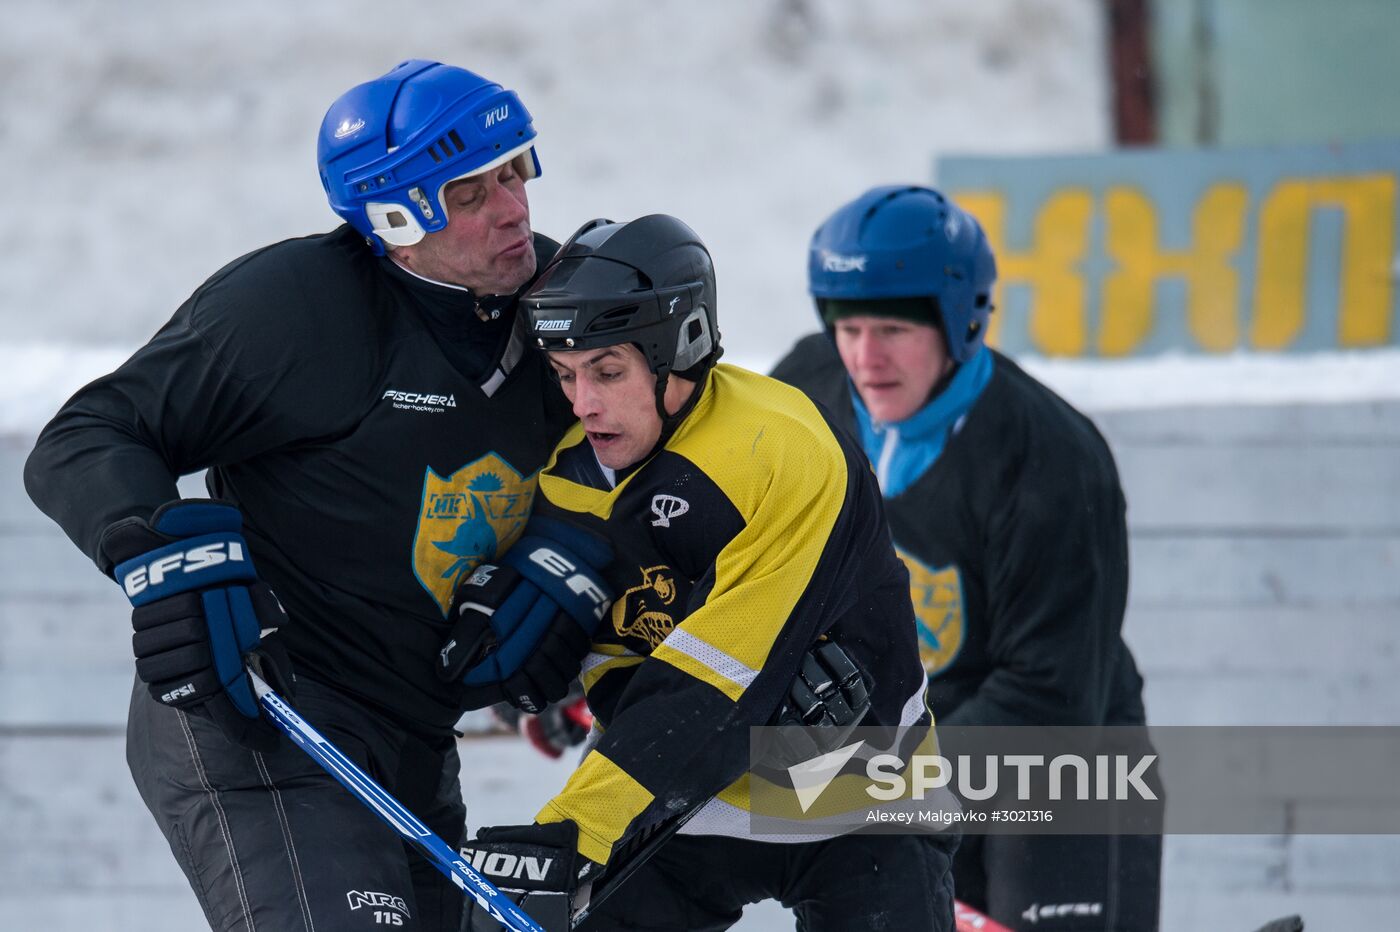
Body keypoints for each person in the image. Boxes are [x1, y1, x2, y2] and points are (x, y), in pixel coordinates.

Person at [24, 59, 601, 931]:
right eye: (473, 192)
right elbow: (88, 435)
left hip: (412, 741)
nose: (516, 207)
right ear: (396, 218)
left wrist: (569, 569)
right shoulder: (297, 308)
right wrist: (163, 556)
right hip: (265, 715)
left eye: (517, 170)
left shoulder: (569, 304)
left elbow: (645, 471)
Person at [443, 214, 959, 932]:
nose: (583, 402)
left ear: (679, 353)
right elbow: (612, 654)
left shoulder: (779, 451)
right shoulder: (563, 473)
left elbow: (712, 676)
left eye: (608, 371)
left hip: (862, 803)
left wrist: (573, 828)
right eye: (565, 375)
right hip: (684, 807)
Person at [770, 185, 1162, 931]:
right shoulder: (804, 395)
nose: (865, 357)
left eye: (892, 328)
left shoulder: (1054, 459)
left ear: (964, 323)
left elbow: (1050, 699)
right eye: (847, 328)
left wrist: (866, 777)